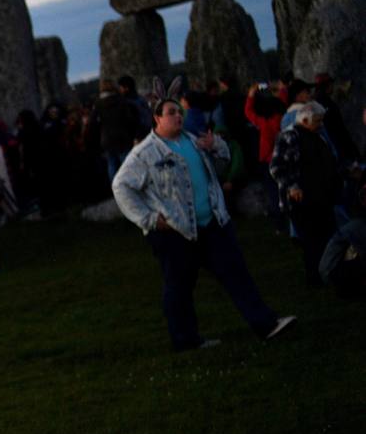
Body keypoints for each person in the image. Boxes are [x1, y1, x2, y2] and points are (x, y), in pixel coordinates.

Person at [112, 97, 297, 350]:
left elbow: (221, 166)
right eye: (170, 112)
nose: (178, 116)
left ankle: (266, 324)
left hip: (212, 223)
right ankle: (185, 340)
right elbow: (121, 186)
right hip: (175, 232)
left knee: (236, 274)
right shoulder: (145, 153)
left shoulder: (194, 141)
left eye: (179, 111)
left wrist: (217, 147)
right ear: (157, 118)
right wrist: (149, 219)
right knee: (179, 288)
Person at [270, 101, 342, 286]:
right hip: (302, 200)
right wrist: (292, 186)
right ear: (305, 119)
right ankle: (316, 276)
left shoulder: (316, 135)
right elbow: (277, 167)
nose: (320, 124)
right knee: (312, 240)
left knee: (326, 236)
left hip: (321, 197)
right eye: (317, 121)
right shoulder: (290, 136)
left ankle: (329, 271)